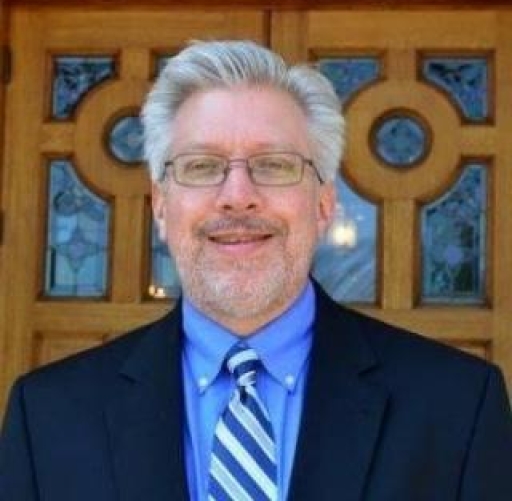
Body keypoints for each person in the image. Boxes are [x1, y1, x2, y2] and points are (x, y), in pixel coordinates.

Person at [1, 40, 511, 501]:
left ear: (323, 203)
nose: (238, 196)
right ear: (160, 205)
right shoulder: (47, 417)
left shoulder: (457, 407)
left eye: (274, 165)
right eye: (202, 166)